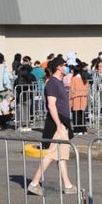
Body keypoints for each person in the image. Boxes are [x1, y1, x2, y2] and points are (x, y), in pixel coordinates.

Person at [28, 57, 76, 196]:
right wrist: (59, 125)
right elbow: (51, 105)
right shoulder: (52, 84)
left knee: (61, 156)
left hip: (63, 123)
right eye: (64, 65)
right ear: (58, 67)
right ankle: (34, 183)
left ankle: (67, 185)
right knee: (51, 156)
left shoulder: (58, 82)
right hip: (58, 124)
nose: (66, 67)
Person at [70, 63, 89, 135]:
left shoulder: (74, 79)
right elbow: (87, 88)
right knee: (82, 114)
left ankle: (77, 130)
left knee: (76, 114)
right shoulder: (84, 78)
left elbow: (72, 89)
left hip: (76, 98)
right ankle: (83, 129)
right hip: (83, 97)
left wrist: (70, 98)